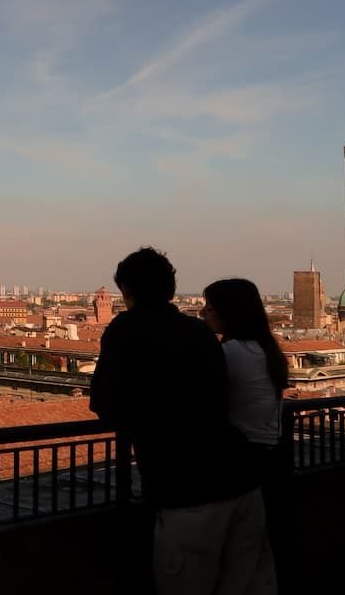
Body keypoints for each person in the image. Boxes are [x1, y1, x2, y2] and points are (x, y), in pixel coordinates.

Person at [91, 247, 275, 595]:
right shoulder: (200, 331)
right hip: (243, 486)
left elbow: (105, 403)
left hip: (187, 493)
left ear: (126, 292)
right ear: (171, 289)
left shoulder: (125, 329)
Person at [202, 278, 289, 585]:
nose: (202, 314)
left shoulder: (232, 353)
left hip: (242, 463)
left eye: (209, 308)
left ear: (229, 313)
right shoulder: (265, 350)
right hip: (269, 460)